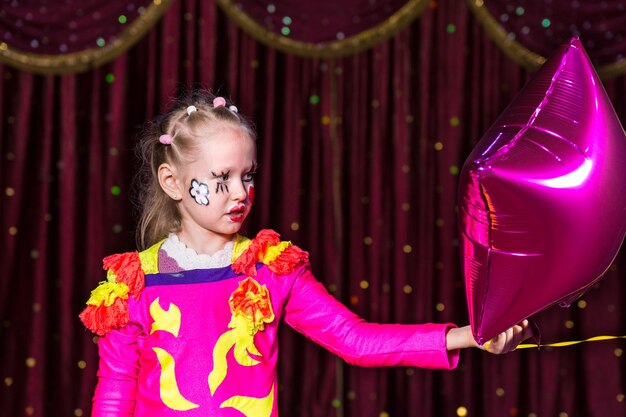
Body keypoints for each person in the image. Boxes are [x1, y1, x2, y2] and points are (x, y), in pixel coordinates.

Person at [80, 90, 533, 417]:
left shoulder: (272, 268)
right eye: (221, 179)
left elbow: (356, 340)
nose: (240, 193)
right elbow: (115, 393)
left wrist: (467, 336)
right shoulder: (133, 285)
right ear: (172, 182)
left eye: (248, 176)